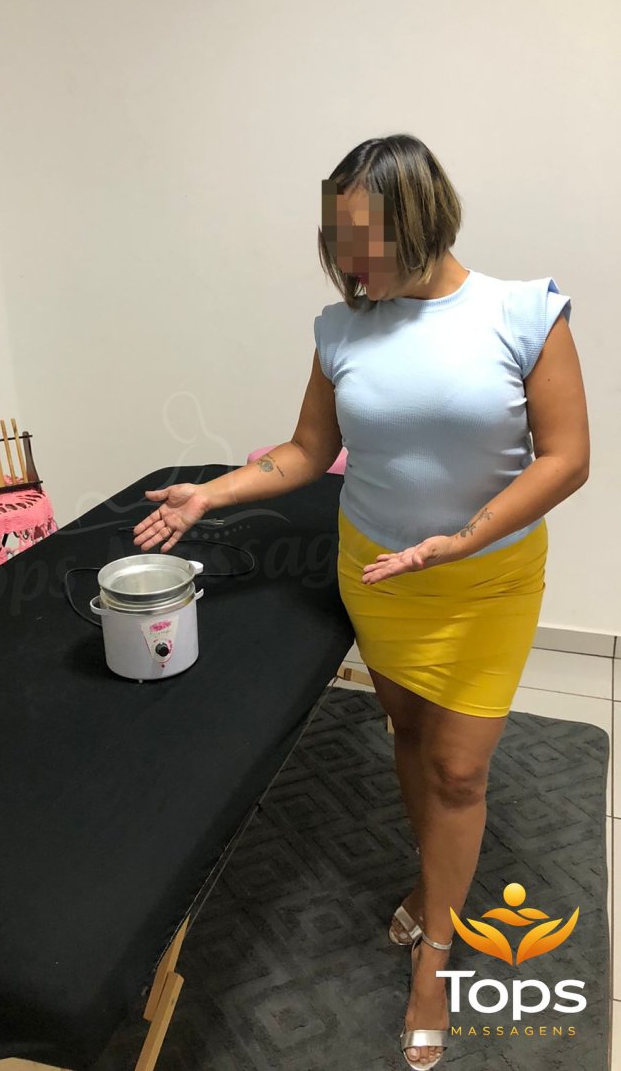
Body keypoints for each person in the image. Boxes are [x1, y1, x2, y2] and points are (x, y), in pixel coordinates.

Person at [130, 133, 590, 1069]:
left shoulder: (523, 313)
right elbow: (307, 451)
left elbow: (567, 456)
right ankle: (433, 882)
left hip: (485, 580)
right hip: (379, 575)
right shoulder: (341, 330)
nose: (345, 263)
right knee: (409, 736)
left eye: (360, 241)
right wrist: (212, 492)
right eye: (334, 241)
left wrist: (465, 536)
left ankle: (436, 954)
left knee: (459, 769)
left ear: (417, 220)